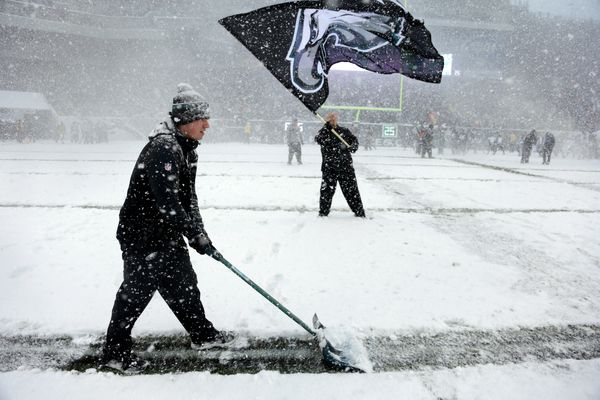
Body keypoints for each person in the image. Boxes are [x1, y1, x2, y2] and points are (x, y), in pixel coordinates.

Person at [101, 83, 232, 372]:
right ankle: (114, 354)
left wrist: (200, 232)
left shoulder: (186, 149)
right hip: (143, 234)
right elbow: (168, 203)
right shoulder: (164, 149)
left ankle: (203, 335)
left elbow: (189, 199)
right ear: (185, 121)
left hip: (166, 232)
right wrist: (194, 235)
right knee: (135, 294)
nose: (207, 125)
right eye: (202, 119)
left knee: (184, 285)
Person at [315, 113, 365, 217]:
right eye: (330, 119)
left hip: (345, 167)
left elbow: (354, 141)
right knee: (326, 192)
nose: (332, 120)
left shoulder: (344, 131)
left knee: (352, 191)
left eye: (334, 119)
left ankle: (359, 212)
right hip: (329, 168)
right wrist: (326, 130)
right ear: (326, 120)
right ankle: (323, 213)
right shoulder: (323, 133)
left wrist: (353, 146)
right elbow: (319, 139)